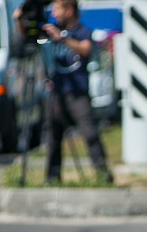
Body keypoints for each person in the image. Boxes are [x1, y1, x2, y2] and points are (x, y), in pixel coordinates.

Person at [15, 0, 112, 185]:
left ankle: (103, 174)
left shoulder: (81, 31)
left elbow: (85, 50)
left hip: (77, 92)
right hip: (56, 92)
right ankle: (52, 178)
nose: (54, 12)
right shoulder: (52, 29)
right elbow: (27, 35)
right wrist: (21, 20)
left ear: (69, 10)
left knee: (90, 134)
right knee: (53, 137)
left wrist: (63, 39)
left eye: (58, 9)